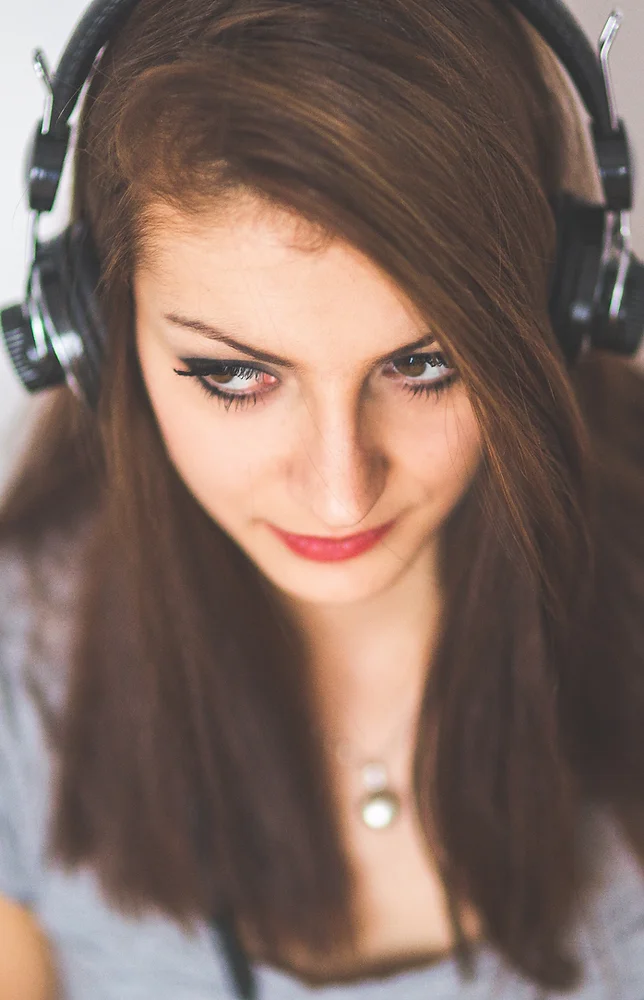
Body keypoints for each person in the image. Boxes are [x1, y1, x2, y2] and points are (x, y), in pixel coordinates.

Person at [1, 0, 644, 996]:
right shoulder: (17, 680)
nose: (340, 494)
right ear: (90, 330)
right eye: (234, 376)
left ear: (560, 311)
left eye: (425, 364)